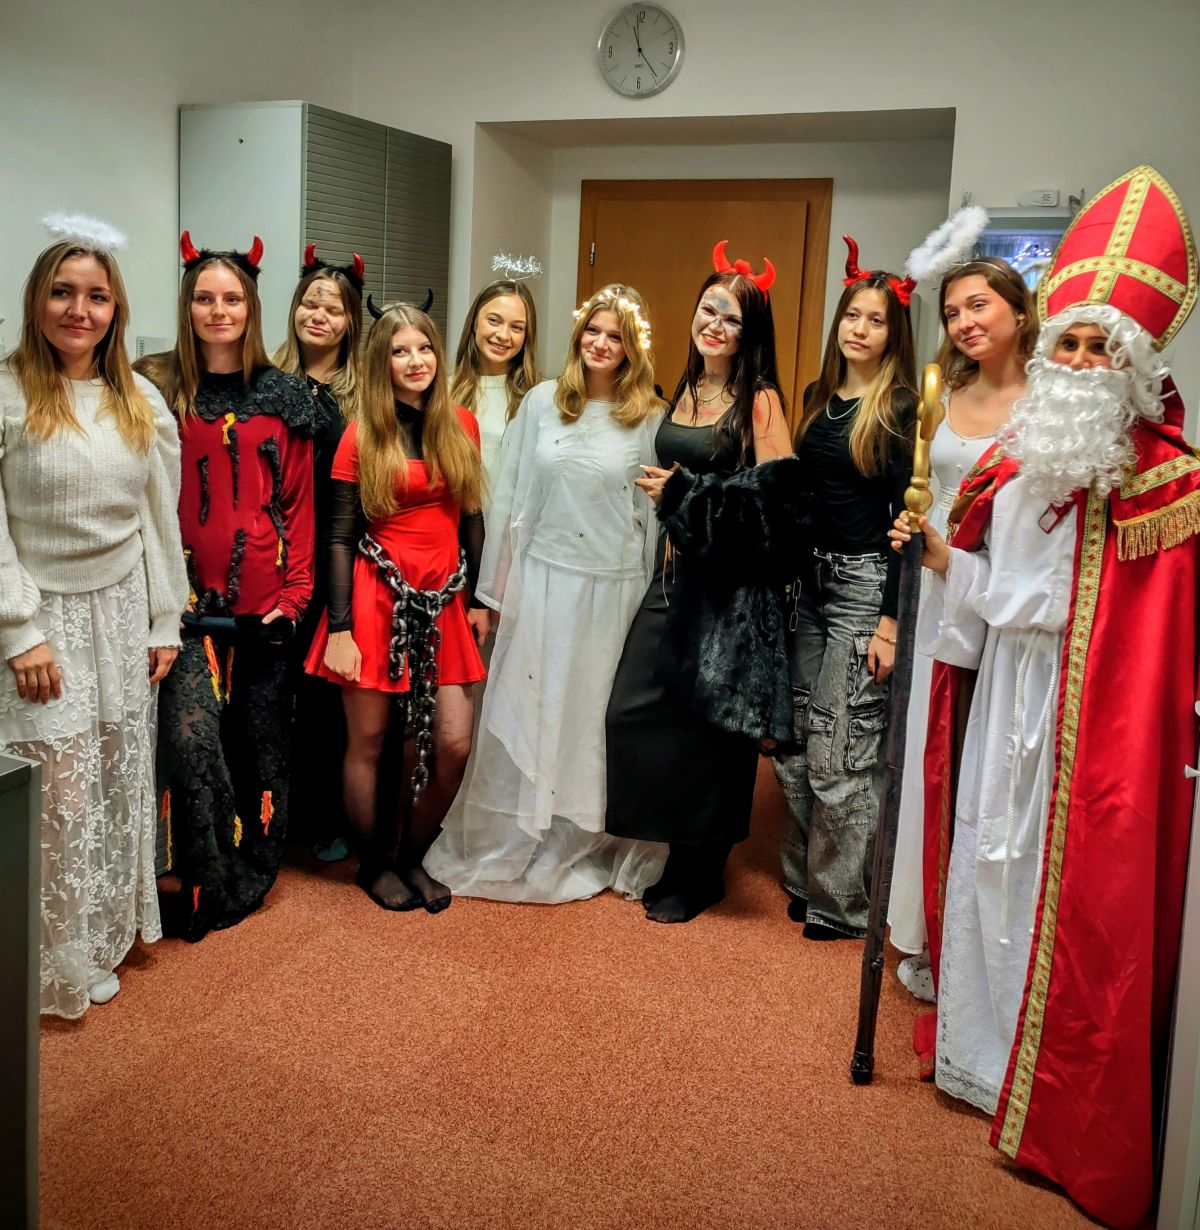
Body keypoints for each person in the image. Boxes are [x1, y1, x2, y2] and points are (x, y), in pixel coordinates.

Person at [891, 165, 1198, 1230]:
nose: (1074, 363)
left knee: (1054, 896)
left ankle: (1047, 1081)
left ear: (1133, 366)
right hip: (1008, 703)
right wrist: (945, 561)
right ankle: (982, 1058)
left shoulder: (1166, 483)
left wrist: (973, 582)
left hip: (1091, 728)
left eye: (1097, 348)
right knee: (987, 860)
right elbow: (996, 589)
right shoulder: (1020, 463)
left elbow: (1124, 630)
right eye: (1068, 344)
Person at [0, 215, 187, 1015]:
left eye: (97, 297)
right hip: (40, 622)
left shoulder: (138, 399)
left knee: (116, 781)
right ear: (36, 300)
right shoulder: (8, 392)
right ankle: (46, 961)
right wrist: (19, 631)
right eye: (63, 292)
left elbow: (158, 520)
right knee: (58, 798)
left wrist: (165, 620)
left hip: (121, 617)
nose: (80, 310)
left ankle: (100, 935)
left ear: (116, 309)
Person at [424, 284, 665, 902]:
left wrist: (649, 606)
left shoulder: (648, 415)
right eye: (593, 332)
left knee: (586, 713)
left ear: (632, 347)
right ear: (578, 335)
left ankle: (576, 836)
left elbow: (651, 519)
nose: (601, 344)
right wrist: (494, 594)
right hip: (543, 579)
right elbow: (510, 501)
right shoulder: (541, 401)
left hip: (610, 588)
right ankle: (521, 830)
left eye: (616, 336)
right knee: (533, 704)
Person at [605, 243, 793, 924]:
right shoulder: (684, 389)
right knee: (634, 711)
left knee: (709, 733)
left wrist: (687, 494)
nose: (716, 324)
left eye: (732, 318)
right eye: (709, 309)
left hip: (729, 590)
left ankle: (702, 869)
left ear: (750, 333)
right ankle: (673, 847)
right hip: (672, 578)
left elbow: (780, 508)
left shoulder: (759, 401)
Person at [137, 232, 314, 941]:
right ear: (187, 305)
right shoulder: (154, 387)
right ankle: (202, 876)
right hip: (180, 609)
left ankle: (253, 866)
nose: (219, 310)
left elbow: (298, 506)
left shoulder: (285, 396)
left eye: (232, 298)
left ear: (251, 307)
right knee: (193, 743)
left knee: (260, 745)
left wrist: (294, 599)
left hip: (265, 608)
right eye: (205, 298)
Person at [888, 251, 1037, 996]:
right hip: (937, 591)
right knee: (931, 754)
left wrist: (955, 558)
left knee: (987, 765)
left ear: (1019, 309)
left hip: (1010, 604)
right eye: (952, 313)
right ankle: (923, 923)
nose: (964, 323)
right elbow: (927, 492)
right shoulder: (944, 395)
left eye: (979, 305)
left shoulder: (1049, 405)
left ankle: (982, 944)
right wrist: (911, 534)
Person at [305, 303, 487, 913]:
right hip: (374, 599)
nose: (415, 361)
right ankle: (374, 864)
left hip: (444, 603)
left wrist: (476, 598)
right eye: (400, 351)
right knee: (370, 741)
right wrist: (340, 627)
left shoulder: (461, 424)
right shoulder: (361, 433)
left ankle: (411, 855)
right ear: (381, 362)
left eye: (424, 348)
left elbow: (473, 517)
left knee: (450, 743)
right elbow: (337, 536)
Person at [764, 237, 917, 940]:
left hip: (863, 587)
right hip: (809, 587)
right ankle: (805, 881)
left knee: (842, 750)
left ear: (893, 332)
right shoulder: (817, 398)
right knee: (795, 744)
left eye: (875, 319)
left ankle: (843, 904)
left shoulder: (900, 408)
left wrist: (889, 623)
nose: (859, 328)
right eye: (852, 315)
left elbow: (907, 525)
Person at [273, 244, 365, 862]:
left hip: (338, 555)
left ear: (350, 320)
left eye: (333, 308)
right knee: (273, 693)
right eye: (310, 303)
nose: (320, 316)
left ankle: (326, 818)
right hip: (275, 556)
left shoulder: (363, 394)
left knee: (327, 696)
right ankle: (272, 816)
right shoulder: (267, 380)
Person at [449, 274, 539, 499]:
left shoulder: (539, 397)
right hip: (457, 518)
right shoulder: (442, 392)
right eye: (494, 321)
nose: (503, 335)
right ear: (474, 323)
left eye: (516, 327)